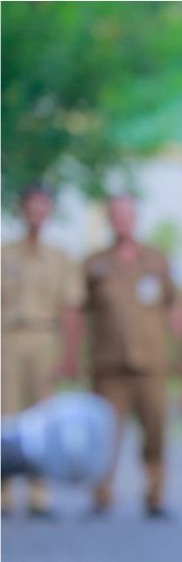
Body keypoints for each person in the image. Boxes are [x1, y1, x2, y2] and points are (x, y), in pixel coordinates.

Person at [79, 195, 182, 518]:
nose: (122, 221)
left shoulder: (156, 261)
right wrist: (74, 356)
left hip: (151, 364)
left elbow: (174, 308)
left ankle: (155, 494)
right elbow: (79, 312)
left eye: (127, 215)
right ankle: (102, 493)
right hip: (109, 365)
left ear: (135, 218)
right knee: (104, 432)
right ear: (110, 220)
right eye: (116, 215)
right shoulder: (95, 264)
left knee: (155, 430)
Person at [1, 184, 84, 517]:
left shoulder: (60, 258)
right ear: (22, 210)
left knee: (43, 417)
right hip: (9, 339)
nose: (36, 213)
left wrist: (69, 357)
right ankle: (3, 490)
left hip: (44, 338)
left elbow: (70, 310)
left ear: (49, 212)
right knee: (6, 415)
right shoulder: (6, 254)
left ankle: (39, 492)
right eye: (31, 206)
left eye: (42, 207)